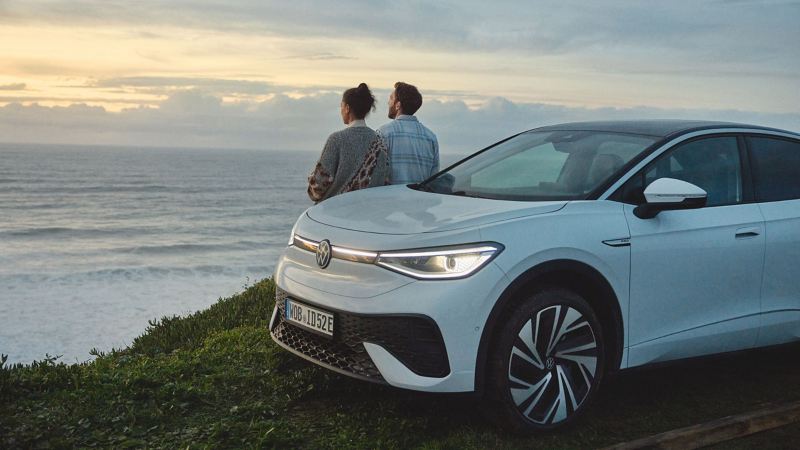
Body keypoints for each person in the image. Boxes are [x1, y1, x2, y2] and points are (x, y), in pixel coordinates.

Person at [307, 83, 390, 203]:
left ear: (347, 108)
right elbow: (385, 181)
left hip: (335, 214)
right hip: (368, 213)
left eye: (341, 106)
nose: (341, 110)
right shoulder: (379, 141)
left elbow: (318, 187)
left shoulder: (337, 139)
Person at [377, 82, 439, 185]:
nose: (388, 102)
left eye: (391, 98)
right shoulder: (431, 137)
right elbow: (434, 180)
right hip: (422, 199)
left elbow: (376, 175)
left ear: (398, 105)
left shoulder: (384, 133)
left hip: (391, 199)